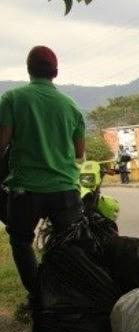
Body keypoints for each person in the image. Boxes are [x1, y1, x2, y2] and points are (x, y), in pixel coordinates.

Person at [0, 46, 85, 306]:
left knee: (21, 240)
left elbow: (1, 144)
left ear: (29, 69)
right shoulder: (70, 105)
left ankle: (38, 295)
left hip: (27, 190)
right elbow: (79, 152)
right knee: (70, 245)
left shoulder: (12, 98)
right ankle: (70, 295)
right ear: (55, 72)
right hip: (66, 190)